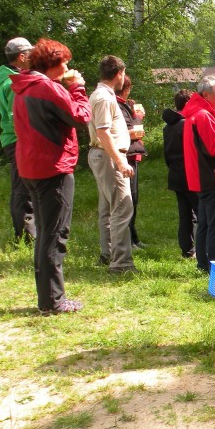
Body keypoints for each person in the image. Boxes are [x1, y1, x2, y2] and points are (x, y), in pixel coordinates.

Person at [10, 38, 91, 314]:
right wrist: (77, 88)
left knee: (45, 233)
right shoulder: (46, 87)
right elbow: (80, 117)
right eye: (64, 62)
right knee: (55, 235)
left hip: (31, 166)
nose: (68, 66)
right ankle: (53, 302)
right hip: (52, 167)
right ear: (53, 64)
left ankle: (48, 299)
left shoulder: (24, 85)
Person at [87, 55, 137, 275]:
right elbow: (103, 132)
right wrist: (120, 162)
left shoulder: (100, 95)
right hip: (109, 156)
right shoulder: (105, 98)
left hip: (103, 155)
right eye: (123, 73)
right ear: (119, 74)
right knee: (122, 207)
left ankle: (108, 254)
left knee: (107, 209)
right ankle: (121, 263)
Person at [182, 75, 215, 273]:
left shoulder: (193, 114)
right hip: (212, 176)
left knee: (204, 225)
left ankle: (203, 264)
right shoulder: (203, 116)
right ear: (206, 94)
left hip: (199, 177)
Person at [0, 36, 36, 242]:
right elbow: (17, 119)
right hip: (18, 140)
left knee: (23, 186)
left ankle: (25, 234)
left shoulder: (12, 79)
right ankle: (26, 236)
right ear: (21, 57)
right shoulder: (13, 83)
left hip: (16, 140)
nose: (34, 58)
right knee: (23, 189)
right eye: (31, 54)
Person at [162, 90, 198, 258]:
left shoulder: (168, 126)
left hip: (175, 175)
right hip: (190, 175)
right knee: (200, 214)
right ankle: (202, 249)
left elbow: (166, 154)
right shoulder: (188, 124)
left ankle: (187, 249)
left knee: (185, 215)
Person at [115, 73, 147, 249]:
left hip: (131, 156)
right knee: (128, 199)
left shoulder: (124, 106)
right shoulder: (119, 107)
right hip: (125, 157)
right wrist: (138, 118)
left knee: (132, 199)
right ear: (126, 89)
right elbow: (130, 132)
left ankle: (132, 237)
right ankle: (128, 239)